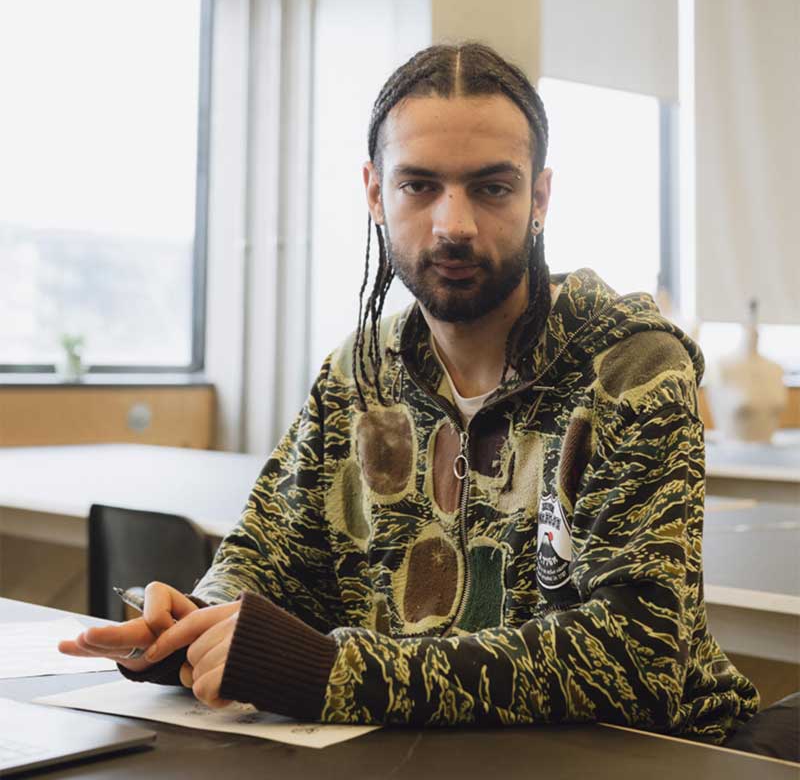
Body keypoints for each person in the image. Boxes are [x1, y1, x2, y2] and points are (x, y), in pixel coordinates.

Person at [61, 42, 761, 745]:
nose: (453, 224)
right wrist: (192, 626)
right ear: (374, 192)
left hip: (643, 756)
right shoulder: (355, 374)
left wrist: (336, 671)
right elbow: (268, 562)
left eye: (491, 188)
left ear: (539, 198)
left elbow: (637, 656)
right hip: (416, 752)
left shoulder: (633, 367)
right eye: (419, 186)